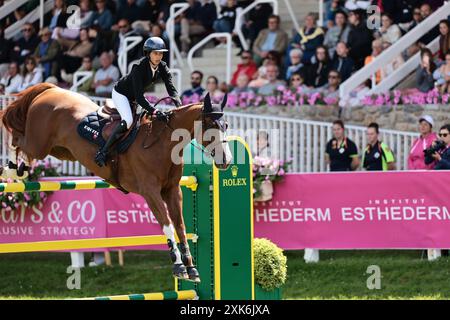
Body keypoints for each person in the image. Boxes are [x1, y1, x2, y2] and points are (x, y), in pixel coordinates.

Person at [95, 37, 182, 167]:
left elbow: (170, 88)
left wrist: (179, 105)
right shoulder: (138, 67)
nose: (159, 56)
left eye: (161, 53)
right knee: (128, 121)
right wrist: (155, 111)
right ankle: (102, 152)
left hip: (135, 97)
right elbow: (140, 98)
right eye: (155, 53)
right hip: (122, 94)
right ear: (148, 53)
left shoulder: (162, 66)